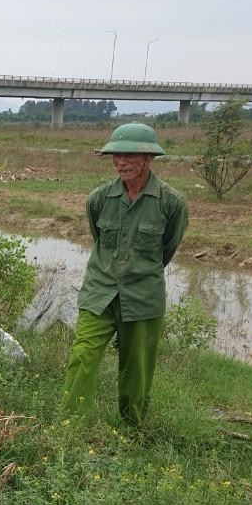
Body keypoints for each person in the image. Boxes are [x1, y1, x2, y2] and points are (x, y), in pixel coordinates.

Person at [62, 122, 188, 424]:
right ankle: (69, 426)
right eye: (116, 155)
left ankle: (132, 429)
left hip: (143, 298)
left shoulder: (172, 203)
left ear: (148, 158)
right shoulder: (99, 199)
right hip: (99, 293)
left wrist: (139, 271)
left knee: (137, 367)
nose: (121, 162)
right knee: (82, 355)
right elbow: (100, 241)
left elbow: (166, 250)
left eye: (130, 155)